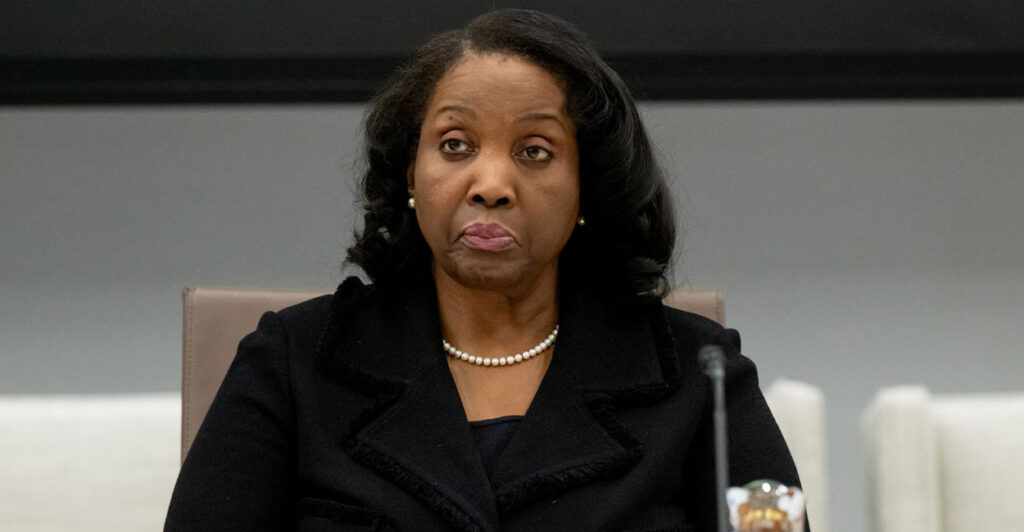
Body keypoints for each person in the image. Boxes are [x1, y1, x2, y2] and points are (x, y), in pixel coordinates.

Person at [166, 9, 803, 532]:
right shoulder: (294, 362)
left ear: (587, 187)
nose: (491, 184)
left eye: (535, 151)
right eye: (454, 145)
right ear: (411, 174)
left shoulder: (700, 376)